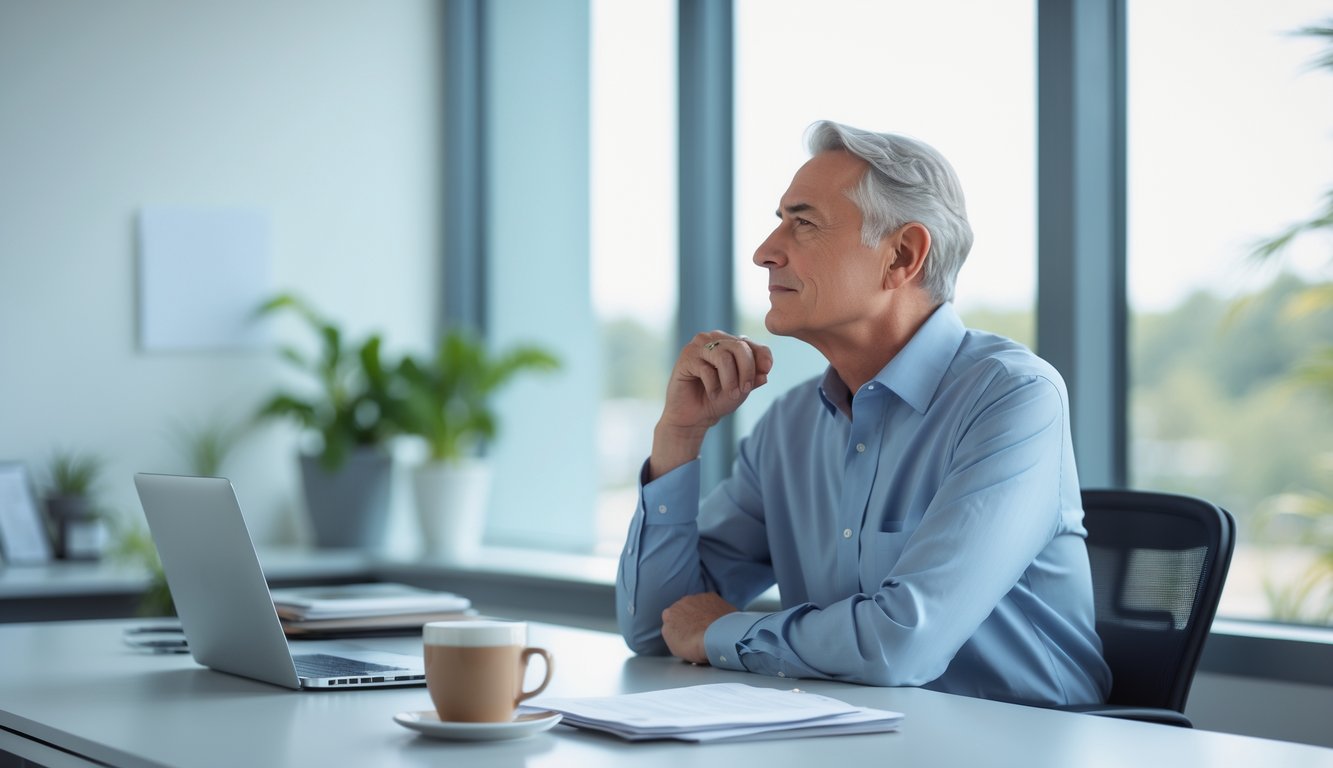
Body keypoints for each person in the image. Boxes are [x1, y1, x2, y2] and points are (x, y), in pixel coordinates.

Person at [615, 120, 1111, 707]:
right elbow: (657, 629)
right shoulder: (789, 427)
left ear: (901, 255)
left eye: (803, 223)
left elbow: (901, 643)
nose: (765, 251)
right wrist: (680, 436)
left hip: (1021, 745)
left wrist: (722, 632)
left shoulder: (1013, 397)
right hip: (862, 739)